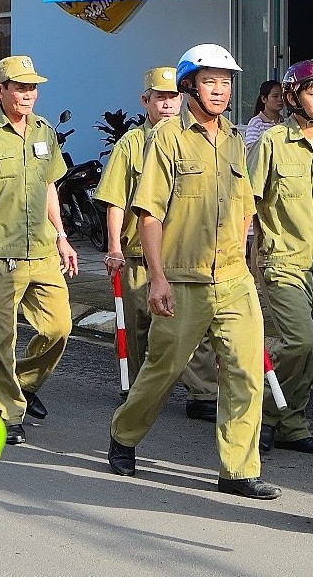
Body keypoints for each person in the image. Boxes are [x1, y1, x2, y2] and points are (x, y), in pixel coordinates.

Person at [107, 44, 281, 501]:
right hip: (182, 278)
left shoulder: (236, 139)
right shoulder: (166, 139)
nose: (221, 90)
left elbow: (245, 206)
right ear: (189, 86)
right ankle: (124, 436)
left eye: (226, 82)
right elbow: (149, 214)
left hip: (233, 278)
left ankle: (238, 469)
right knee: (164, 367)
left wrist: (245, 262)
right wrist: (158, 278)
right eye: (211, 81)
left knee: (245, 371)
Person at [0, 56, 78, 446]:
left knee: (59, 327)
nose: (28, 95)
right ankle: (8, 412)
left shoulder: (45, 131)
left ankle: (22, 382)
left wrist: (61, 236)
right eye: (20, 88)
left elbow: (50, 187)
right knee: (0, 338)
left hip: (42, 250)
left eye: (32, 88)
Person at [94, 67, 219, 415]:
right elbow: (117, 199)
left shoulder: (196, 138)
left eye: (174, 97)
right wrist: (115, 249)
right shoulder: (132, 143)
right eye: (161, 97)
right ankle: (138, 392)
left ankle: (203, 393)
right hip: (138, 254)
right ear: (145, 100)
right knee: (139, 328)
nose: (168, 104)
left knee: (195, 326)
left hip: (183, 254)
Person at [247, 60, 313, 454]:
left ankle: (292, 421)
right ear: (293, 97)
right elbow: (247, 203)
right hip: (281, 260)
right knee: (298, 342)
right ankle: (265, 412)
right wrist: (241, 255)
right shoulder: (271, 142)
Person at [244, 80, 283, 151]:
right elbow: (253, 151)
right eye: (275, 96)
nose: (280, 99)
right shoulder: (256, 123)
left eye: (282, 96)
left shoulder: (286, 122)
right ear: (264, 99)